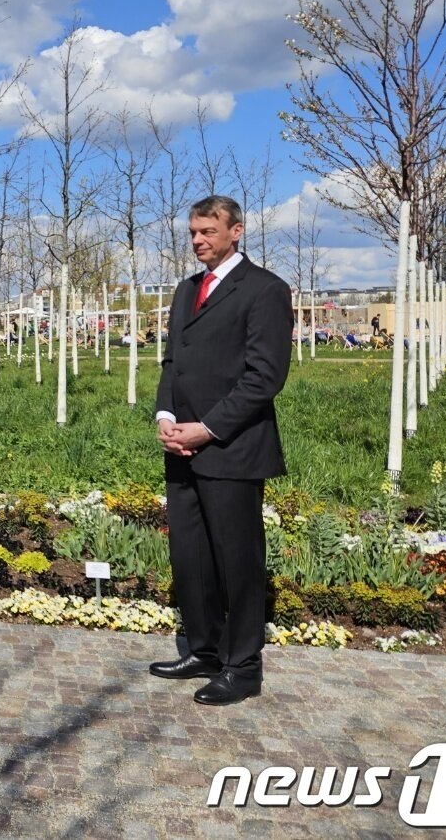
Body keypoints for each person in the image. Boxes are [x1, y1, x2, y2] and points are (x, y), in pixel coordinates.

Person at [151, 196, 292, 706]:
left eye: (208, 231)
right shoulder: (185, 291)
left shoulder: (265, 291)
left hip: (232, 449)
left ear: (237, 231)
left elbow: (265, 377)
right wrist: (166, 417)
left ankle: (243, 665)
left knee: (237, 561)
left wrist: (206, 429)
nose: (197, 240)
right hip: (181, 449)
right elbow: (173, 363)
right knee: (191, 557)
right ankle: (204, 649)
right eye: (192, 231)